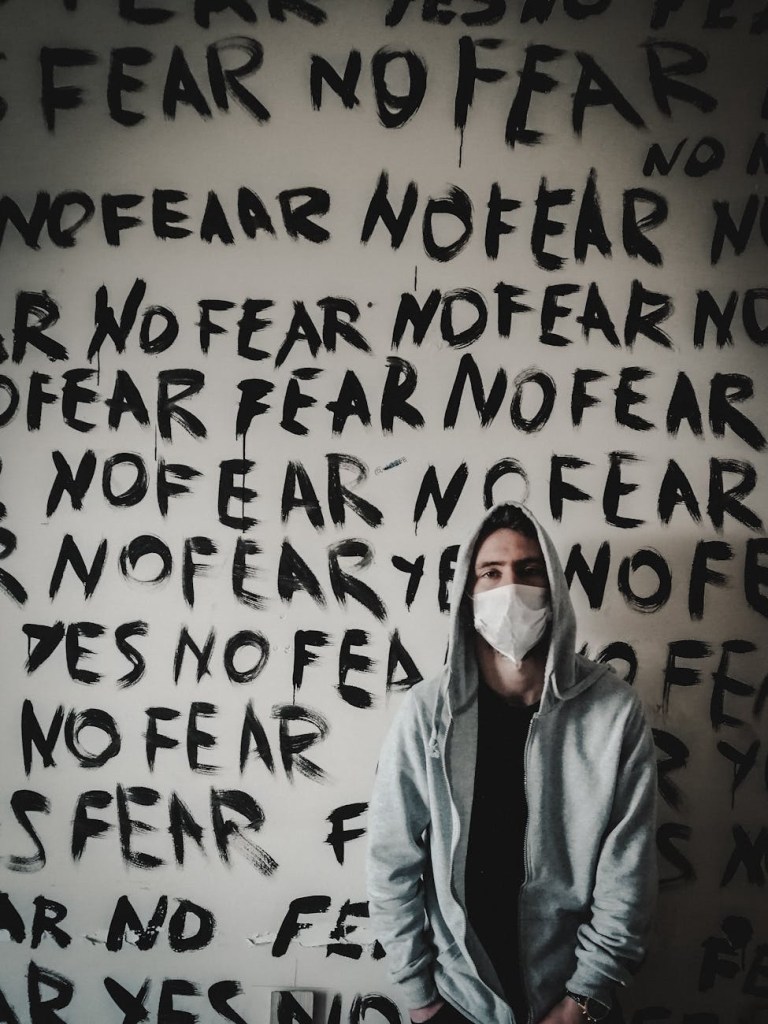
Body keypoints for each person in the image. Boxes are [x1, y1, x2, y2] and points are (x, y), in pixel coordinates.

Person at [366, 503, 657, 1024]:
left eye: (528, 570)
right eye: (491, 573)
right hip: (455, 1001)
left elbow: (628, 872)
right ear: (468, 592)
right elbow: (391, 859)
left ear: (554, 588)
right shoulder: (428, 712)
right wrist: (420, 998)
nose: (511, 589)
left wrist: (583, 998)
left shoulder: (613, 712)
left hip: (573, 1000)